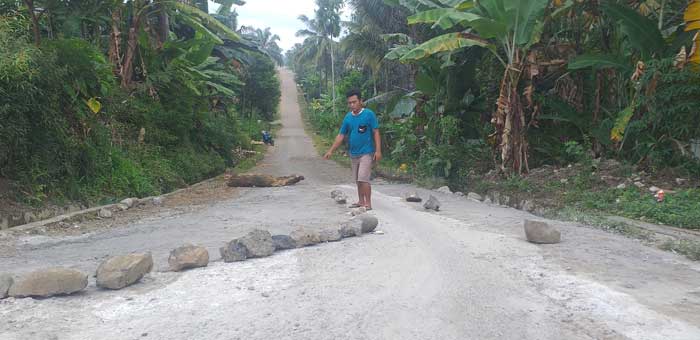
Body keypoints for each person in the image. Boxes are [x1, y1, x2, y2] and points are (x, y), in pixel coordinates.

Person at [324, 90, 382, 210]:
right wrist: (331, 150)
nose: (352, 105)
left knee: (363, 178)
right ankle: (361, 201)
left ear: (360, 101)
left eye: (354, 102)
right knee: (357, 180)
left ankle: (368, 203)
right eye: (349, 103)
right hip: (353, 153)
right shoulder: (348, 117)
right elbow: (341, 135)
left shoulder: (369, 114)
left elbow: (376, 132)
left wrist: (378, 150)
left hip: (367, 152)